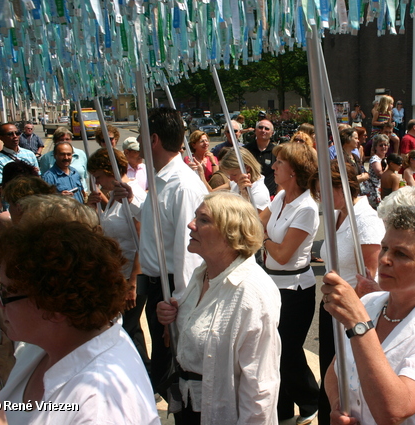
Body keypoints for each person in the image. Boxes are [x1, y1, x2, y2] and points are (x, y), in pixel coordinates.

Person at [0, 218, 160, 425]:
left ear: (54, 306)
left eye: (5, 293)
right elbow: (32, 408)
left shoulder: (100, 404)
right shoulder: (48, 346)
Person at [323, 204, 415, 425]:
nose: (384, 259)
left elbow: (394, 410)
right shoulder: (368, 303)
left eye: (401, 254)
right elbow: (336, 368)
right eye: (384, 248)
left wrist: (359, 324)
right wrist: (338, 407)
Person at [156, 192, 281, 424]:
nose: (190, 224)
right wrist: (172, 318)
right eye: (196, 217)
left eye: (203, 220)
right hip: (189, 405)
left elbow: (261, 385)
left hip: (220, 412)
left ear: (230, 234)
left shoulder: (252, 291)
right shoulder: (200, 274)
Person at [112, 107, 208, 398]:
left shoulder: (182, 186)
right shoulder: (159, 179)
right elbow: (156, 222)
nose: (138, 144)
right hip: (153, 282)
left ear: (153, 139)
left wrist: (178, 308)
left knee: (171, 364)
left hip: (169, 288)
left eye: (142, 137)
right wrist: (132, 199)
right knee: (152, 343)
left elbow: (188, 253)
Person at [309, 161, 385, 425]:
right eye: (318, 193)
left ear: (343, 186)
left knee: (346, 377)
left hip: (352, 311)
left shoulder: (364, 220)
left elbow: (370, 280)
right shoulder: (337, 214)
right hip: (332, 306)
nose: (321, 199)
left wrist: (347, 304)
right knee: (329, 378)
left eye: (325, 192)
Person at [259, 142, 320, 424]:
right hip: (272, 286)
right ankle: (282, 413)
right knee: (274, 355)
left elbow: (283, 256)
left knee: (287, 355)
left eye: (279, 162)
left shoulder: (306, 208)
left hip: (295, 291)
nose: (273, 166)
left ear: (293, 171)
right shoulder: (282, 195)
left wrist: (264, 240)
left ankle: (311, 401)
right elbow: (258, 221)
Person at [87, 148, 148, 368]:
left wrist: (133, 282)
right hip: (118, 273)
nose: (97, 181)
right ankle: (145, 372)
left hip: (133, 275)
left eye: (98, 176)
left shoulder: (131, 195)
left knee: (126, 329)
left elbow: (143, 240)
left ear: (109, 171)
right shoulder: (113, 195)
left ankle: (144, 374)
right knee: (129, 328)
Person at [219, 147, 271, 213]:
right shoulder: (238, 182)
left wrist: (245, 196)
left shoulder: (259, 194)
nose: (231, 179)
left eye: (234, 175)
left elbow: (252, 221)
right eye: (229, 175)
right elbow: (212, 192)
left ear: (247, 168)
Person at [0, 124, 40, 190]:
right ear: (1, 138)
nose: (15, 136)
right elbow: (0, 187)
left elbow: (38, 178)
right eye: (10, 134)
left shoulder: (30, 154)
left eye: (17, 133)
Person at [39, 127, 89, 191]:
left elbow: (84, 177)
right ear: (55, 141)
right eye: (61, 139)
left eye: (67, 139)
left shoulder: (81, 154)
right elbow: (45, 183)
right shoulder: (46, 158)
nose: (65, 142)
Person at [244, 119, 277, 196]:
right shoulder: (245, 150)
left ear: (272, 133)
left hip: (270, 196)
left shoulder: (276, 152)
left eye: (267, 128)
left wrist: (277, 198)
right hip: (248, 194)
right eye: (260, 127)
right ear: (255, 130)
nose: (263, 130)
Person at [367, 134, 389, 209]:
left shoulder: (385, 159)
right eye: (381, 145)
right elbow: (380, 174)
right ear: (375, 147)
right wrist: (389, 168)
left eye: (385, 145)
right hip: (375, 190)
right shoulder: (375, 159)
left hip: (382, 189)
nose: (383, 147)